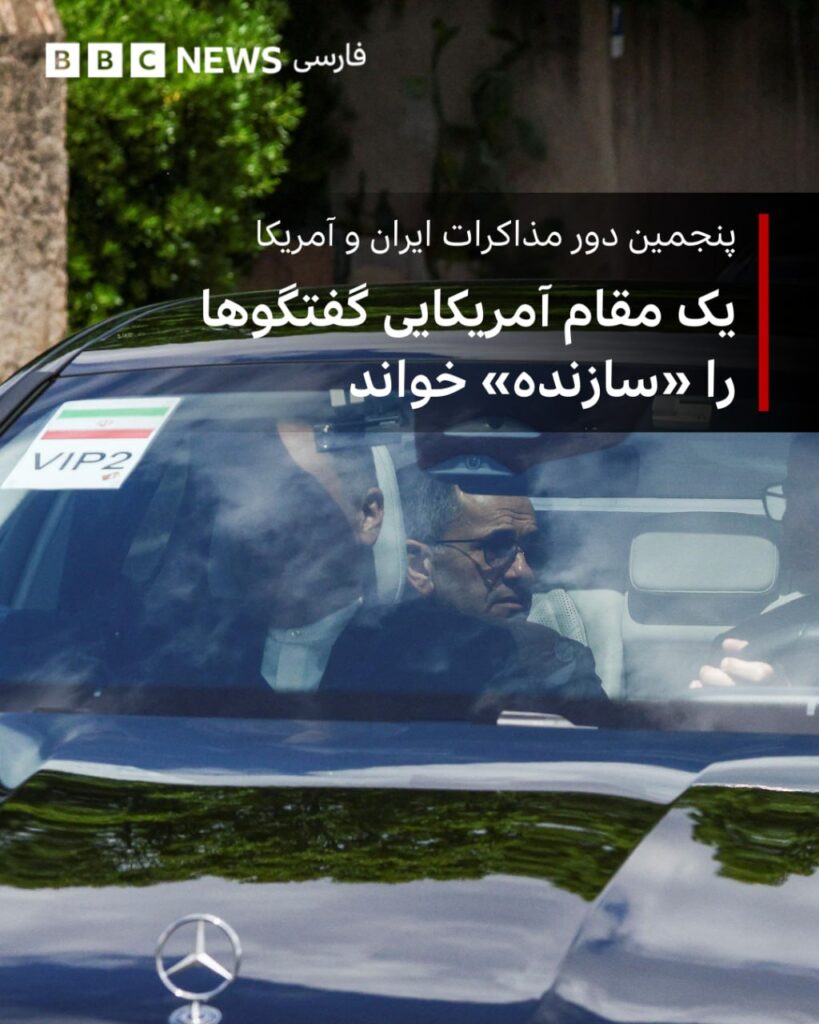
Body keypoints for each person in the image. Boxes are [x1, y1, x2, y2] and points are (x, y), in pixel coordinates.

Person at [321, 469, 607, 704]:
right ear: (419, 567)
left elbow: (599, 750)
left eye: (531, 550)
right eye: (496, 548)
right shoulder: (364, 661)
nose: (524, 572)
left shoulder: (553, 657)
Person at [691, 433, 819, 689]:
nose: (795, 518)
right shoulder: (748, 649)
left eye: (815, 499)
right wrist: (765, 703)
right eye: (792, 495)